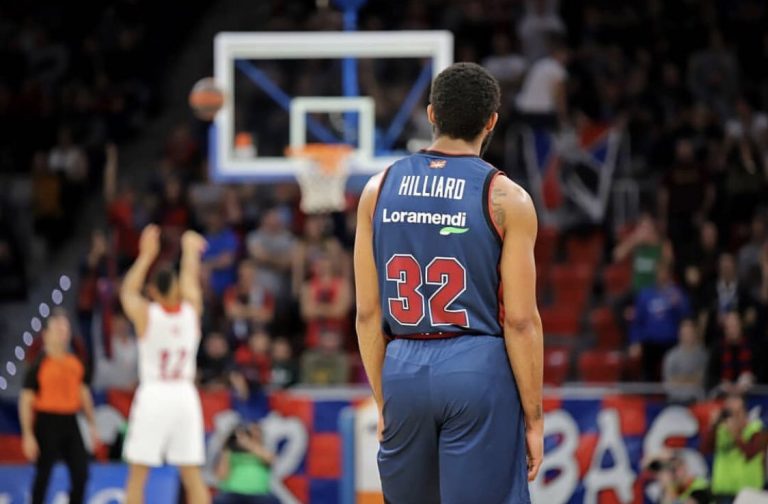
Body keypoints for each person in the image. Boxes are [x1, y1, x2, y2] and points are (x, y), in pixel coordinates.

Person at [354, 62, 543, 503]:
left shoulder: (377, 189)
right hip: (476, 366)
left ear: (431, 114)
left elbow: (366, 313)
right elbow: (520, 321)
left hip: (401, 366)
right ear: (491, 121)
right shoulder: (506, 197)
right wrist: (534, 419)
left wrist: (384, 400)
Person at [119, 225, 210, 504]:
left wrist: (145, 256)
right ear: (177, 289)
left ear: (153, 292)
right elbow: (190, 276)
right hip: (184, 394)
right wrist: (189, 249)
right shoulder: (192, 310)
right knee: (192, 475)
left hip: (155, 393)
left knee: (138, 474)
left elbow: (127, 291)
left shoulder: (147, 314)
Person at [19, 308, 98, 504]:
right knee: (43, 474)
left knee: (81, 472)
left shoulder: (76, 362)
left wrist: (92, 424)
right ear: (47, 334)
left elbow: (84, 394)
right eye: (58, 328)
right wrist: (28, 434)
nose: (63, 333)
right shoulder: (38, 364)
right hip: (46, 422)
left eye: (65, 329)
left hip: (70, 421)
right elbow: (26, 400)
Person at [629, 262, 691, 380]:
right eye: (659, 272)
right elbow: (637, 321)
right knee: (648, 375)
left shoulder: (677, 293)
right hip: (650, 343)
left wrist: (678, 304)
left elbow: (686, 316)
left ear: (669, 274)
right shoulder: (645, 295)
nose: (662, 275)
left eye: (664, 272)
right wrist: (635, 341)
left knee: (671, 373)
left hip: (671, 342)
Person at [701, 394, 768, 503]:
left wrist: (735, 435)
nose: (733, 416)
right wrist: (713, 426)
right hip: (723, 490)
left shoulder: (758, 429)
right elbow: (704, 450)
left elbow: (750, 453)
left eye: (737, 412)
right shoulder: (721, 430)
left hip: (750, 491)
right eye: (729, 412)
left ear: (745, 412)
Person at [214, 423, 279, 504]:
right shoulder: (231, 453)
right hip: (232, 492)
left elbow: (271, 459)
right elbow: (221, 476)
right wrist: (227, 447)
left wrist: (247, 444)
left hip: (259, 493)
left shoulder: (262, 450)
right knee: (220, 500)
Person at [662, 319, 708, 402]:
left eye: (690, 332)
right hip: (674, 400)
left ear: (695, 333)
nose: (688, 335)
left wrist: (680, 379)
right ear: (680, 334)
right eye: (685, 333)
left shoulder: (703, 355)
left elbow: (702, 379)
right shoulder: (671, 355)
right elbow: (668, 382)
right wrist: (691, 379)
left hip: (696, 399)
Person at [643, 450, 711, 504]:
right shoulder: (669, 491)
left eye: (675, 468)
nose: (672, 473)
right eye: (668, 469)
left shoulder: (701, 487)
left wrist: (669, 486)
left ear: (685, 466)